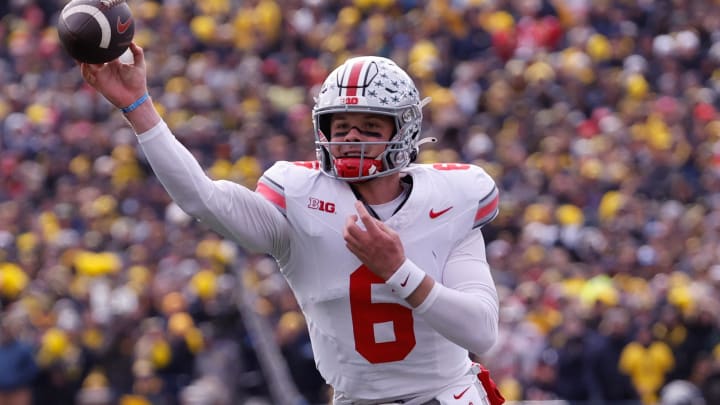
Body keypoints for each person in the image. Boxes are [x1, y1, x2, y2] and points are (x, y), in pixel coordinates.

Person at [80, 43, 504, 405]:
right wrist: (138, 107)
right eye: (341, 126)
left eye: (370, 126)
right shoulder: (300, 199)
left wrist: (398, 271)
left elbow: (481, 331)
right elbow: (202, 199)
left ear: (404, 130)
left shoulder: (452, 198)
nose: (352, 138)